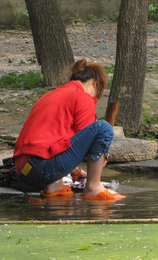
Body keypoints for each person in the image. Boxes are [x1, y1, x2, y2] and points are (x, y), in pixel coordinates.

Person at [13, 59, 125, 201]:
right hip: (41, 168)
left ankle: (54, 186)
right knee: (103, 128)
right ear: (95, 83)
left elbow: (54, 142)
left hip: (24, 171)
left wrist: (75, 171)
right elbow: (89, 144)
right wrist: (102, 155)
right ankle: (93, 187)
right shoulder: (82, 96)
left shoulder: (51, 95)